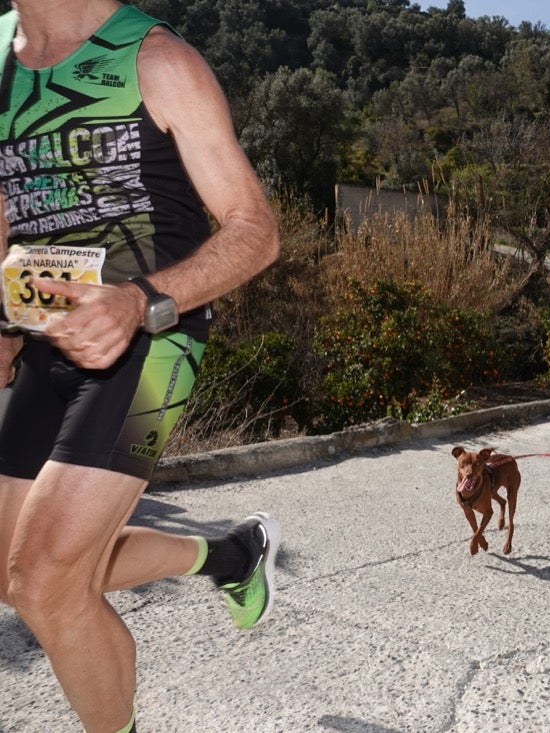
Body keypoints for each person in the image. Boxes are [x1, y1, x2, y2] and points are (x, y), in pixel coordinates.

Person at [0, 3, 281, 732]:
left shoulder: (154, 60)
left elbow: (256, 230)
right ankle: (227, 554)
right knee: (16, 573)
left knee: (48, 581)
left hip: (154, 336)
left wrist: (136, 302)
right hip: (43, 337)